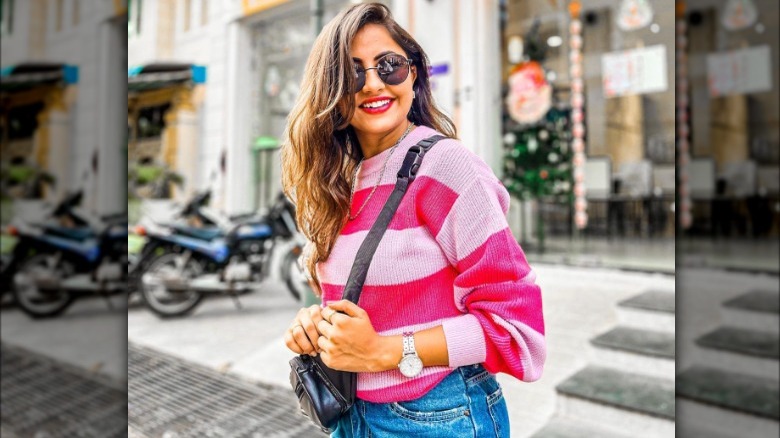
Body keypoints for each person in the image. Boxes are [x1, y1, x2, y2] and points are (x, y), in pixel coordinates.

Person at [280, 3, 545, 437]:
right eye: (351, 74)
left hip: (437, 415)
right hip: (351, 414)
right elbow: (366, 302)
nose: (372, 83)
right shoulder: (341, 182)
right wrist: (318, 326)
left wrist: (386, 351)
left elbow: (517, 327)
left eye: (389, 65)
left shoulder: (446, 166)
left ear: (414, 73)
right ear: (331, 92)